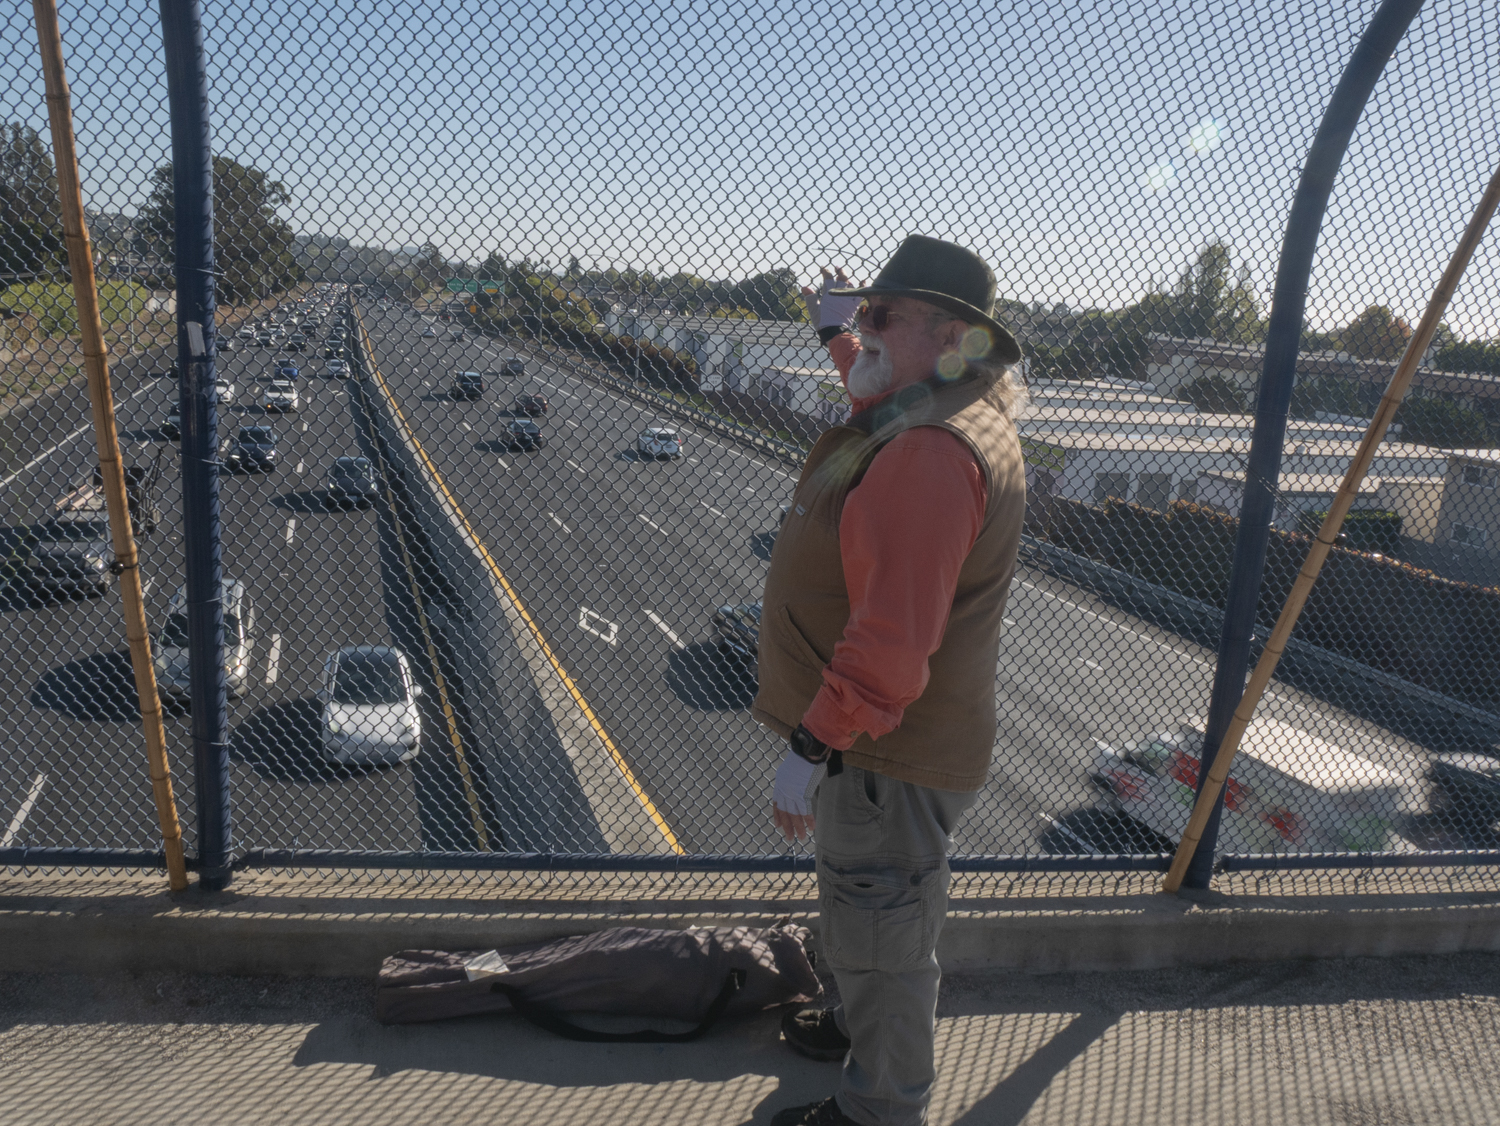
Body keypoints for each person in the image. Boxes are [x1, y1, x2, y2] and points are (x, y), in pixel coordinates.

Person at [756, 235, 1029, 1126]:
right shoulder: (954, 400)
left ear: (951, 337)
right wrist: (840, 330)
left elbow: (891, 645)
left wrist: (811, 742)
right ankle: (849, 1023)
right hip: (885, 746)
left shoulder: (927, 455)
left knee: (886, 938)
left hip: (883, 750)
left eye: (881, 314)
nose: (863, 331)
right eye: (861, 313)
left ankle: (880, 1108)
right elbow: (875, 378)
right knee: (869, 912)